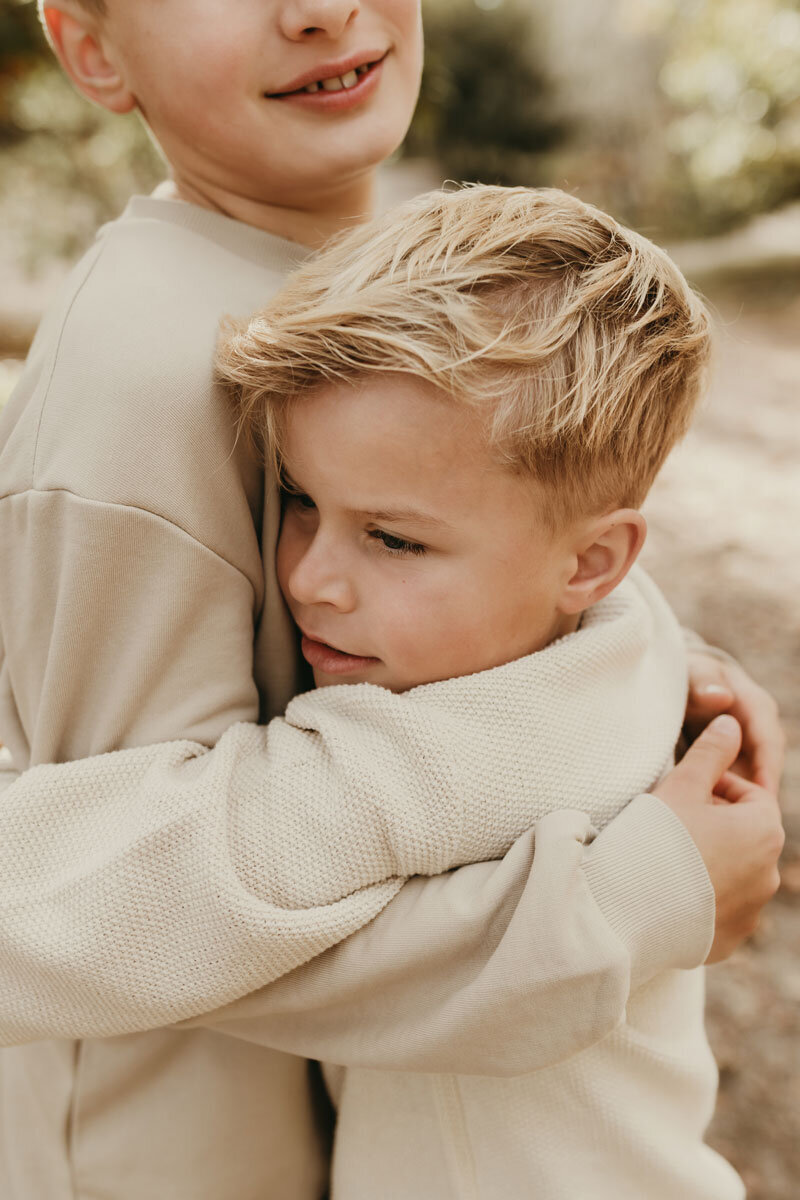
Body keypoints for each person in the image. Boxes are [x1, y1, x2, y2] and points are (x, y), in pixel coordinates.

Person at [0, 2, 783, 1198]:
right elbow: (150, 909)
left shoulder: (323, 291)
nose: (320, 7)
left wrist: (629, 655)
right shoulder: (144, 375)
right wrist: (627, 897)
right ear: (91, 47)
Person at [214, 183, 750, 1198]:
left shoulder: (470, 756)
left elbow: (202, 933)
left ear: (590, 564)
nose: (307, 579)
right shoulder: (608, 642)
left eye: (393, 538)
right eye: (298, 502)